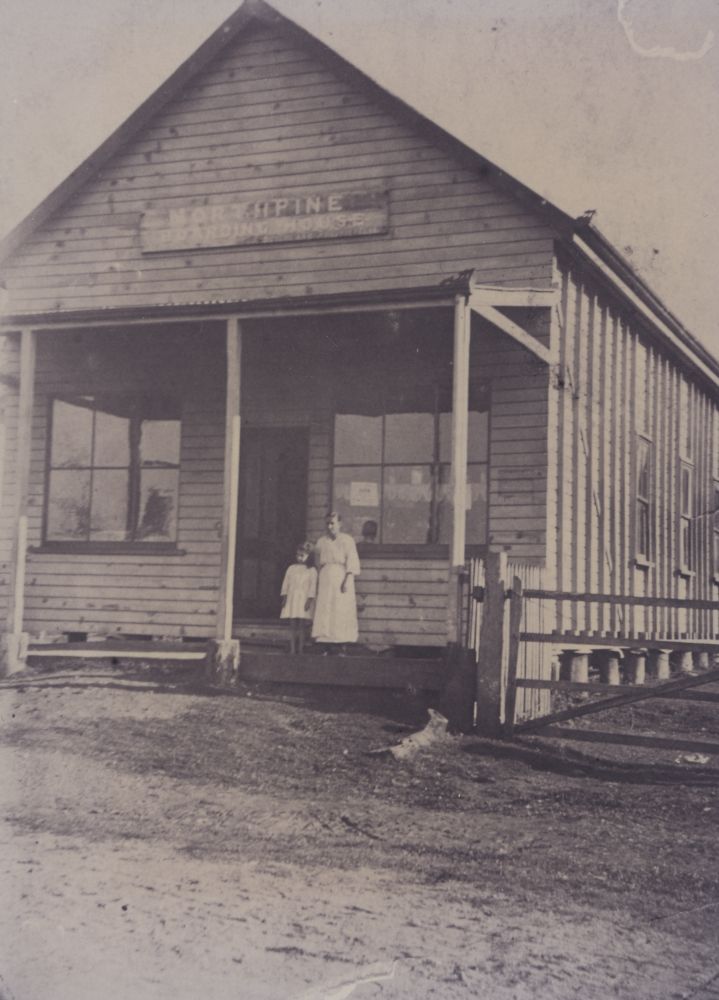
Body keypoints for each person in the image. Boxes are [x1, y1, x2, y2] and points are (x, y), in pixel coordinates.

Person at [312, 512, 360, 654]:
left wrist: (347, 580)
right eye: (327, 523)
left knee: (340, 609)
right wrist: (318, 578)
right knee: (325, 608)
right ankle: (325, 644)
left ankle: (342, 644)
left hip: (341, 577)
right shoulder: (321, 542)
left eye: (332, 523)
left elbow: (352, 561)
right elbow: (317, 562)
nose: (329, 526)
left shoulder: (347, 540)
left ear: (340, 524)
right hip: (326, 578)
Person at [279, 542, 318, 654]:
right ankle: (292, 649)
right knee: (292, 625)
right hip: (292, 598)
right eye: (297, 555)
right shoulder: (291, 568)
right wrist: (284, 597)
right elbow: (286, 583)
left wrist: (309, 600)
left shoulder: (311, 570)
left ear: (308, 556)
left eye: (302, 555)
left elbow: (312, 586)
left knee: (301, 625)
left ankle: (300, 649)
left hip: (303, 599)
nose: (299, 558)